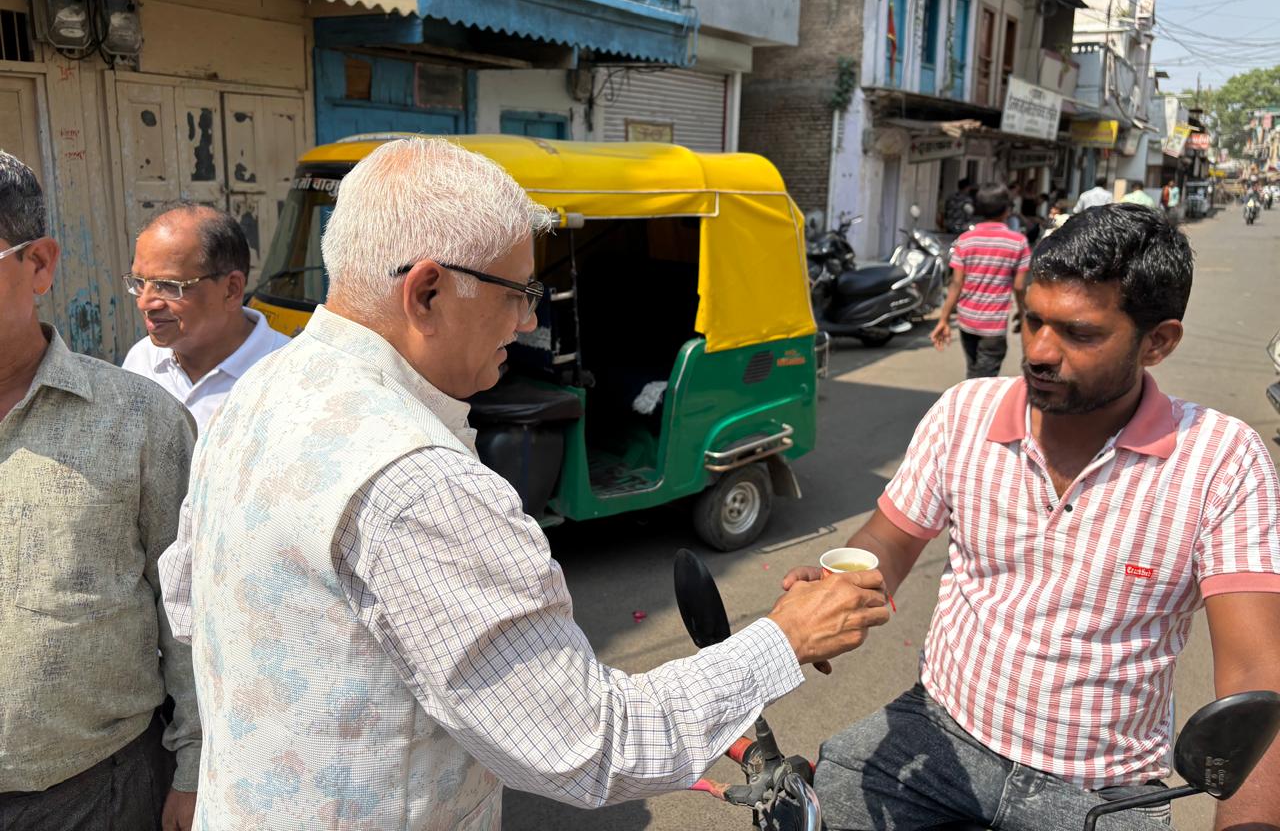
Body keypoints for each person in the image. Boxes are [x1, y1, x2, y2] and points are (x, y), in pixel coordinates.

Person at [159, 137, 891, 830]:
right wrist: (783, 638)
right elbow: (593, 746)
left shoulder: (256, 393)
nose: (531, 318)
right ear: (428, 291)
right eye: (519, 291)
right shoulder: (419, 484)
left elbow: (187, 603)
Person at [790, 204, 1280, 831]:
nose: (1040, 353)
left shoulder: (1222, 460)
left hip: (1104, 786)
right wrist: (845, 589)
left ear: (1158, 341)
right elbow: (890, 537)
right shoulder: (963, 412)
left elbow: (1256, 679)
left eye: (1079, 334)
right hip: (941, 728)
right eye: (1033, 322)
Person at [0, 152, 201, 830]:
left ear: (40, 266)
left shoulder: (141, 421)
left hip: (95, 793)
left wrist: (197, 765)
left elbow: (192, 613)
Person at [122, 205, 289, 434]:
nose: (145, 303)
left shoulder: (291, 373)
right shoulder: (142, 361)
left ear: (231, 289)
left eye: (169, 286)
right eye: (140, 282)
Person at [930, 183, 1030, 379]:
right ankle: (974, 408)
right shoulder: (1018, 242)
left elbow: (956, 284)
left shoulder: (966, 240)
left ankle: (970, 405)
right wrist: (1022, 312)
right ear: (1007, 210)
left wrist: (943, 319)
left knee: (974, 373)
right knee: (984, 381)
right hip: (993, 326)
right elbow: (1019, 286)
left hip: (967, 322)